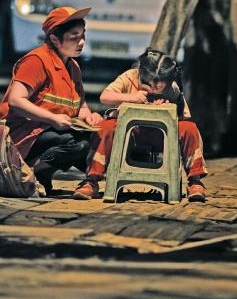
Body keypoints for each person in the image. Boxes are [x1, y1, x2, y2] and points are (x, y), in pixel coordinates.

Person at [0, 6, 106, 198]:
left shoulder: (73, 67)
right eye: (74, 37)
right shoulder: (37, 61)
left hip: (50, 132)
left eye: (83, 35)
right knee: (77, 145)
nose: (81, 42)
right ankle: (33, 172)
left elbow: (80, 105)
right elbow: (15, 100)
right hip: (22, 136)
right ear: (55, 39)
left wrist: (89, 116)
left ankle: (53, 177)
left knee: (97, 139)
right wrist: (53, 118)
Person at [77, 48, 208, 202]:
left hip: (159, 135)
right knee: (105, 128)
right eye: (148, 84)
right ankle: (91, 180)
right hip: (128, 133)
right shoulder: (129, 77)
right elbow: (105, 97)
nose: (152, 89)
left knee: (190, 129)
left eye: (158, 86)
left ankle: (195, 181)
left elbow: (183, 116)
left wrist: (166, 109)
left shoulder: (172, 89)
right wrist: (131, 97)